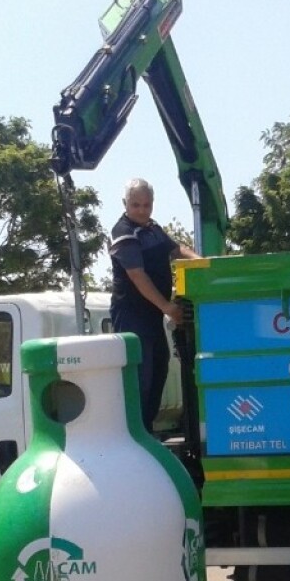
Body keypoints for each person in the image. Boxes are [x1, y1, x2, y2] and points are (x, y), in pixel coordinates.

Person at [108, 178, 200, 430]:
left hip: (152, 316)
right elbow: (138, 276)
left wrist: (201, 262)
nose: (141, 210)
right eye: (136, 205)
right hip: (131, 316)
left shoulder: (152, 228)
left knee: (159, 370)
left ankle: (146, 429)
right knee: (141, 379)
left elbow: (176, 249)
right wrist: (168, 308)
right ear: (125, 203)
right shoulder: (124, 232)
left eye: (146, 205)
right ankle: (135, 433)